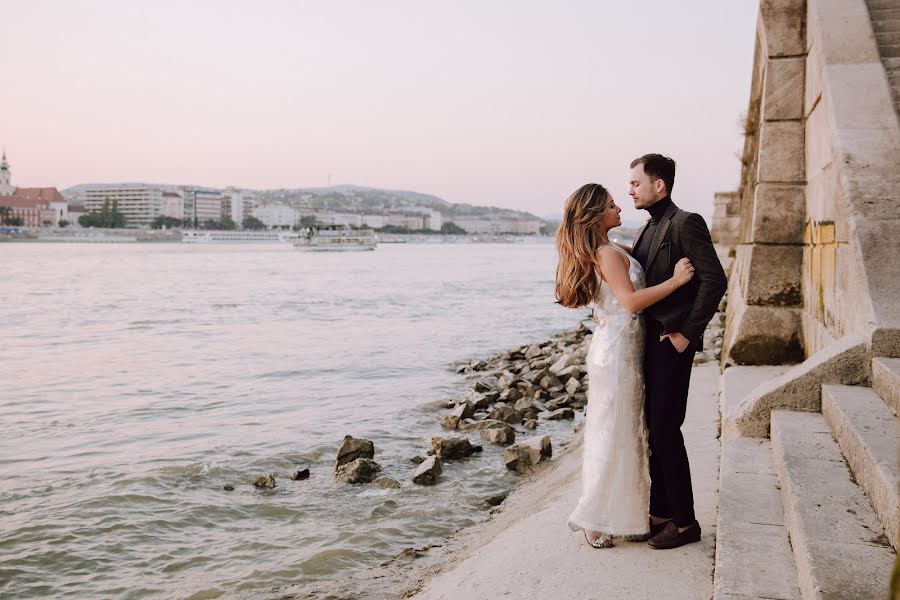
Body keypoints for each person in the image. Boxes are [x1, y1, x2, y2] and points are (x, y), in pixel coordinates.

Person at [556, 182, 695, 548]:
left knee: (627, 431)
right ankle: (594, 519)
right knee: (613, 431)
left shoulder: (611, 248)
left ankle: (623, 513)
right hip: (616, 352)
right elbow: (631, 302)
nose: (620, 209)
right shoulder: (605, 254)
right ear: (595, 214)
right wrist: (676, 281)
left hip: (624, 348)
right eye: (612, 205)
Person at [628, 153, 727, 549]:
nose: (630, 189)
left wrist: (688, 332)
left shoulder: (686, 222)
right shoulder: (647, 227)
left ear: (660, 185)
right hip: (647, 343)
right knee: (655, 429)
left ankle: (686, 523)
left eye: (636, 182)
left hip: (672, 342)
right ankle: (662, 512)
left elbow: (714, 279)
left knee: (667, 430)